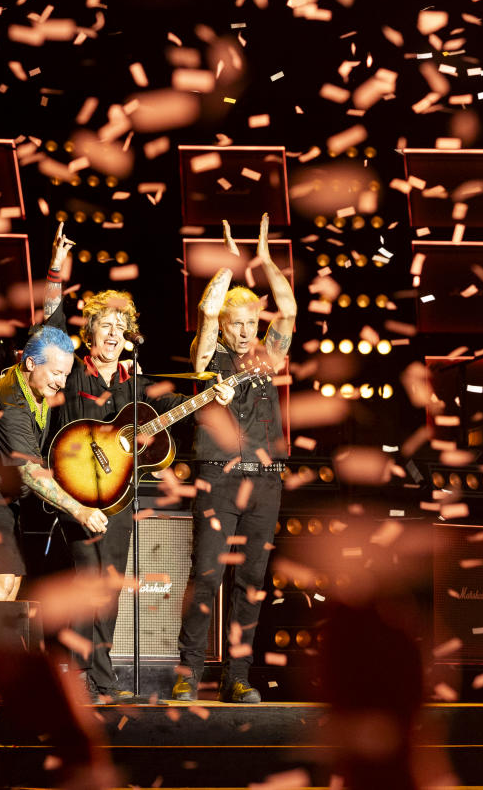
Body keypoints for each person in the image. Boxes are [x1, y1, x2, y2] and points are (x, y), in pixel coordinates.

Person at [42, 225, 234, 702]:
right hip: (77, 497)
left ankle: (96, 679)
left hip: (120, 500)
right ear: (89, 332)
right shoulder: (69, 372)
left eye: (119, 327)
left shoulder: (136, 382)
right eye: (104, 325)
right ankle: (89, 677)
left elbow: (182, 406)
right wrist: (54, 273)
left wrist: (217, 396)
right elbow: (46, 323)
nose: (112, 333)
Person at [173, 212, 296, 703]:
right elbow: (205, 315)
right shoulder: (209, 356)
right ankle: (188, 672)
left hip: (265, 481)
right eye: (237, 324)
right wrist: (227, 265)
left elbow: (287, 308)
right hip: (219, 479)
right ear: (225, 325)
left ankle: (237, 677)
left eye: (250, 324)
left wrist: (263, 261)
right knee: (206, 575)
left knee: (250, 583)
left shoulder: (268, 355)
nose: (245, 332)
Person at [0, 323, 109, 601]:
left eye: (66, 374)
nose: (62, 383)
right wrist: (79, 510)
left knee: (12, 587)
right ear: (31, 363)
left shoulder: (33, 385)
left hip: (2, 501)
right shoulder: (9, 405)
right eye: (57, 373)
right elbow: (31, 473)